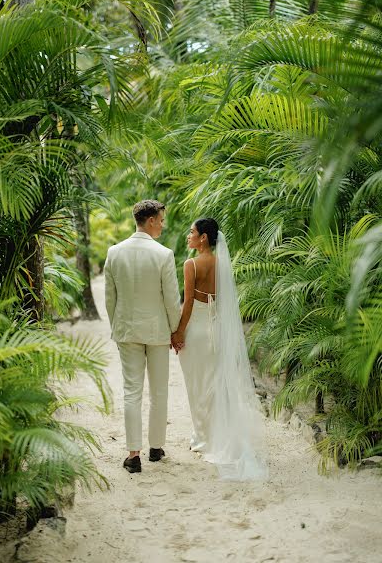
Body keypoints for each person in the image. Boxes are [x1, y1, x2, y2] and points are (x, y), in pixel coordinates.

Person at [174, 218, 268, 481]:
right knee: (216, 385)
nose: (188, 235)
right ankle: (218, 436)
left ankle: (204, 438)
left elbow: (188, 303)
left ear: (203, 237)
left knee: (197, 385)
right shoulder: (222, 265)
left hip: (197, 332)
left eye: (192, 232)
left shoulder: (191, 264)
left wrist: (179, 331)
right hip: (217, 330)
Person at [104, 200, 181, 474]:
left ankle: (133, 454)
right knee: (159, 391)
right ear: (150, 220)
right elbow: (172, 300)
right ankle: (156, 448)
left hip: (127, 331)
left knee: (131, 391)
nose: (162, 224)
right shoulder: (164, 254)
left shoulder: (114, 252)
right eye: (160, 219)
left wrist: (118, 326)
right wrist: (175, 330)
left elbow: (110, 297)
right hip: (158, 331)